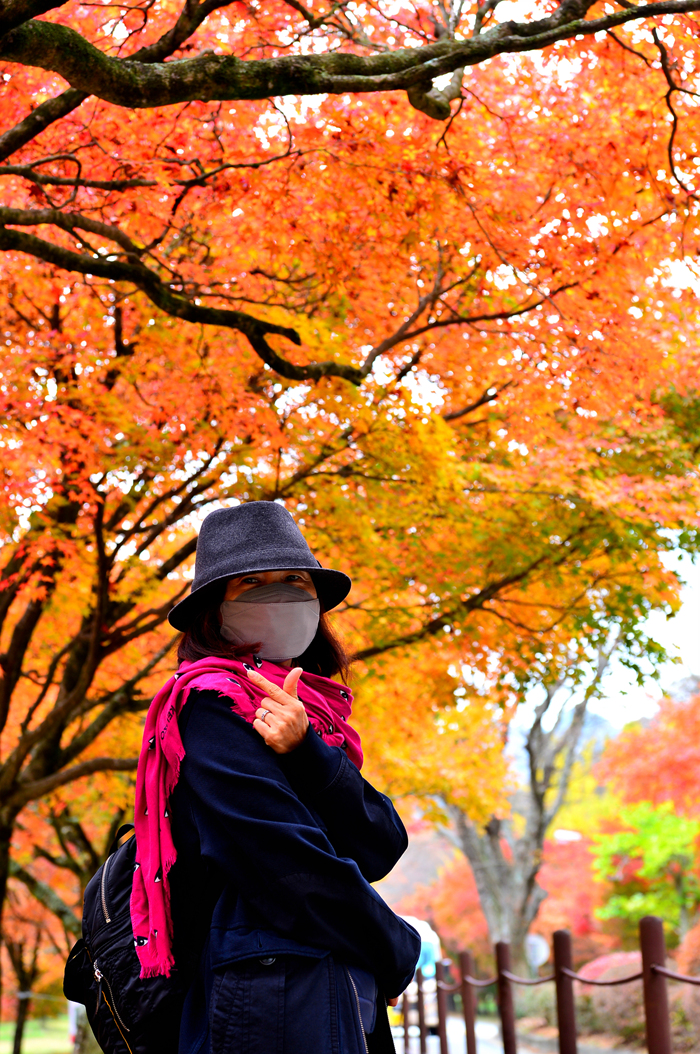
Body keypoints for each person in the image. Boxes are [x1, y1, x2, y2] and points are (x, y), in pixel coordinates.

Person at [130, 501, 421, 1054]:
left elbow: (381, 844)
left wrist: (307, 751)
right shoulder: (209, 706)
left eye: (294, 581)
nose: (279, 596)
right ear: (214, 610)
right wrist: (395, 948)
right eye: (252, 583)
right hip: (268, 999)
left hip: (325, 984)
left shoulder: (312, 717)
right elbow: (285, 862)